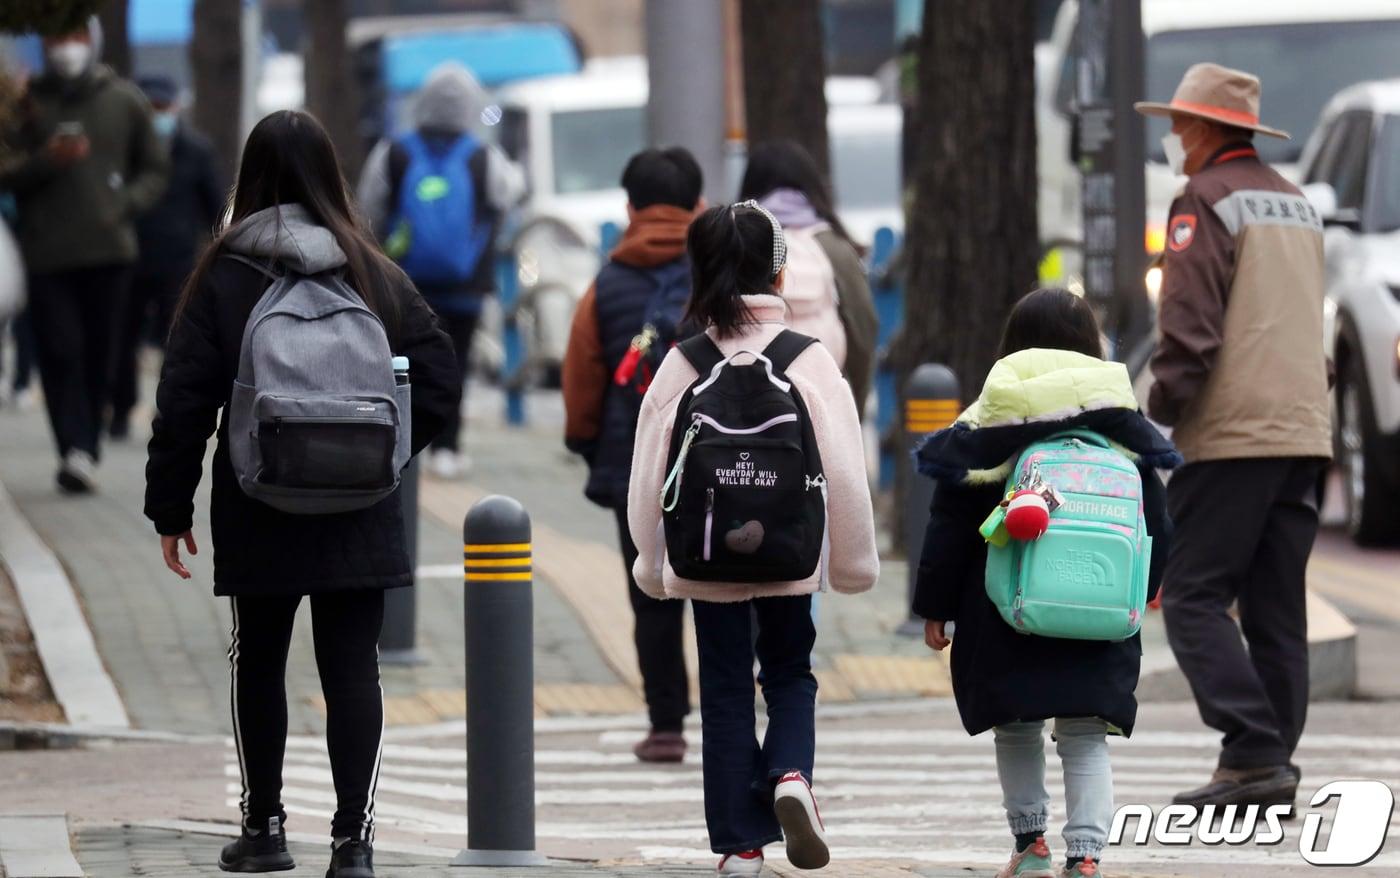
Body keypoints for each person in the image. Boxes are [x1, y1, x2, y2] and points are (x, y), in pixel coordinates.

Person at [144, 110, 459, 878]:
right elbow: (442, 374)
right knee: (353, 668)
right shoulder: (371, 269)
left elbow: (184, 399)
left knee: (259, 662)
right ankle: (353, 845)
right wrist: (383, 453)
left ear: (248, 178)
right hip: (360, 503)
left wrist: (170, 507)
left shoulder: (224, 272)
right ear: (331, 175)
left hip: (260, 498)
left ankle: (264, 831)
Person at [627, 202, 879, 875]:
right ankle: (791, 773)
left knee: (727, 688)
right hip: (790, 555)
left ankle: (740, 845)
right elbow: (847, 471)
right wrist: (853, 563)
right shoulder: (808, 358)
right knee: (791, 672)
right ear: (780, 271)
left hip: (705, 560)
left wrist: (651, 565)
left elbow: (648, 473)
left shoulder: (684, 362)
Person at [915, 288, 1178, 878]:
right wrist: (1147, 585)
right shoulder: (1119, 422)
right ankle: (1085, 856)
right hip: (1102, 610)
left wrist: (935, 606)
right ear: (1092, 346)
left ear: (1012, 346)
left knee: (1017, 728)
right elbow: (1156, 520)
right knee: (1086, 735)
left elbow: (950, 522)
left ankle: (1031, 846)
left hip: (1005, 612)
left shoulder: (990, 420)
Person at [1135, 63, 1331, 808]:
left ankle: (1250, 746)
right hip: (1305, 426)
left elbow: (1190, 327)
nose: (1175, 138)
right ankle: (1271, 758)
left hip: (1233, 430)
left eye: (1181, 124)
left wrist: (1159, 413)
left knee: (1191, 593)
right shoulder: (1296, 204)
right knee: (1279, 603)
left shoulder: (1204, 202)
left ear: (1209, 127)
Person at [562, 147, 703, 764]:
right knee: (727, 591)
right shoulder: (714, 276)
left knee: (650, 594)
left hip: (635, 466)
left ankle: (666, 725)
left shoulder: (606, 284)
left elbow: (581, 381)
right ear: (697, 207)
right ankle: (737, 710)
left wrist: (590, 445)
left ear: (629, 208)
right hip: (716, 465)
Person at [0, 18, 168, 492]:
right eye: (56, 38)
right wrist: (45, 162)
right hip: (47, 253)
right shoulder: (25, 101)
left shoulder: (123, 100)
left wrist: (125, 203)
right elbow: (6, 168)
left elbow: (154, 166)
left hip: (109, 251)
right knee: (59, 350)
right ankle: (70, 445)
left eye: (74, 38)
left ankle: (88, 443)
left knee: (100, 349)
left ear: (91, 42)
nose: (66, 48)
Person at [358, 61, 525, 479]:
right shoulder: (483, 156)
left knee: (403, 365)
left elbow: (369, 211)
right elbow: (507, 199)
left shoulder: (394, 153)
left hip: (404, 286)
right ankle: (448, 449)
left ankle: (401, 443)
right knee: (455, 365)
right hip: (465, 288)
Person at [109, 74, 225, 440]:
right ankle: (120, 408)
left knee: (174, 340)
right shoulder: (124, 149)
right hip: (128, 258)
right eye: (152, 107)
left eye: (163, 107)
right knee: (123, 339)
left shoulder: (197, 150)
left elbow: (215, 207)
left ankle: (168, 407)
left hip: (177, 263)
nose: (159, 114)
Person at [737, 140, 878, 417]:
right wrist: (853, 410)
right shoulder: (835, 248)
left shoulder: (736, 242)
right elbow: (863, 328)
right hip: (820, 407)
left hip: (744, 413)